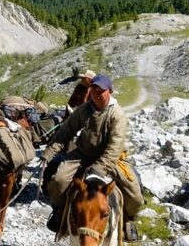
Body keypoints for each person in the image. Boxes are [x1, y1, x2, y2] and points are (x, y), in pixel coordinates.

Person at [40, 74, 144, 242]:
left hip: (110, 159)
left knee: (135, 195)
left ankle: (127, 221)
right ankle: (60, 213)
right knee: (58, 181)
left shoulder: (117, 114)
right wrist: (48, 153)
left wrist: (99, 168)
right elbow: (66, 130)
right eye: (94, 90)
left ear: (109, 91)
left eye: (100, 91)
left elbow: (114, 147)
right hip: (82, 154)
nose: (96, 94)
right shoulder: (85, 109)